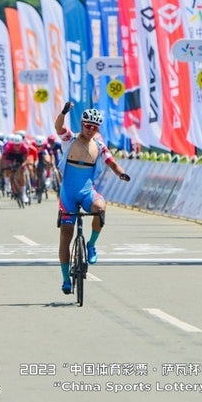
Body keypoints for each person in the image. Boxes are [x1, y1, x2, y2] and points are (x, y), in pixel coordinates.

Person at [53, 102, 130, 296]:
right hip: (68, 195)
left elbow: (112, 163)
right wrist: (63, 112)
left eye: (94, 128)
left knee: (101, 207)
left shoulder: (99, 146)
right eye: (88, 126)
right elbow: (59, 127)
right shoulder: (69, 139)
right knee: (66, 236)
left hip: (87, 192)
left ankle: (91, 244)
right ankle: (65, 279)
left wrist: (121, 173)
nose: (90, 130)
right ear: (82, 124)